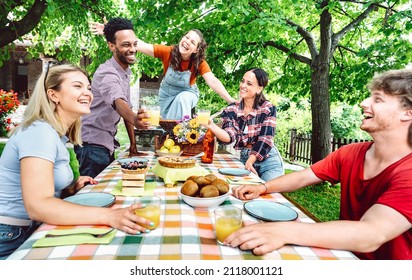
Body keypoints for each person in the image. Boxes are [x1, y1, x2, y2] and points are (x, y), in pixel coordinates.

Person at [228, 68, 412, 260]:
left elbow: (372, 234)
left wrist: (284, 231)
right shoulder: (350, 153)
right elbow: (303, 177)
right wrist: (263, 187)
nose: (363, 103)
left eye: (378, 99)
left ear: (408, 113)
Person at [0, 64, 152, 260]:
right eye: (77, 86)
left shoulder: (55, 135)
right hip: (10, 235)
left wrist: (67, 190)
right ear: (53, 95)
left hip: (25, 230)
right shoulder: (39, 132)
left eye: (88, 88)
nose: (87, 93)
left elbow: (37, 188)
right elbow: (37, 206)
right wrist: (109, 216)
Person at [90, 21, 235, 120]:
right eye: (187, 37)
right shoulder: (168, 52)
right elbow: (140, 45)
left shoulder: (199, 63)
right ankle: (171, 141)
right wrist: (110, 31)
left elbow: (212, 81)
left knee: (183, 99)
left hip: (188, 94)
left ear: (196, 49)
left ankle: (182, 135)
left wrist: (230, 100)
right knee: (166, 122)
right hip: (167, 95)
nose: (187, 42)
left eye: (192, 42)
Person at [75, 18, 150, 178]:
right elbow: (118, 101)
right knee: (93, 196)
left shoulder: (124, 72)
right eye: (125, 45)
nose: (132, 49)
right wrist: (135, 119)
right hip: (92, 144)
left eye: (134, 44)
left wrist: (133, 145)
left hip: (105, 143)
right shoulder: (107, 72)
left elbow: (126, 109)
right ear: (111, 46)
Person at [203, 68, 284, 181]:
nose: (243, 85)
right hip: (245, 158)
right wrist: (211, 126)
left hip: (268, 160)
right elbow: (230, 136)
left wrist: (250, 161)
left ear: (259, 89)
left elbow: (266, 139)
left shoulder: (267, 108)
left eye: (249, 83)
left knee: (270, 194)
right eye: (242, 81)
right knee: (245, 192)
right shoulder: (232, 108)